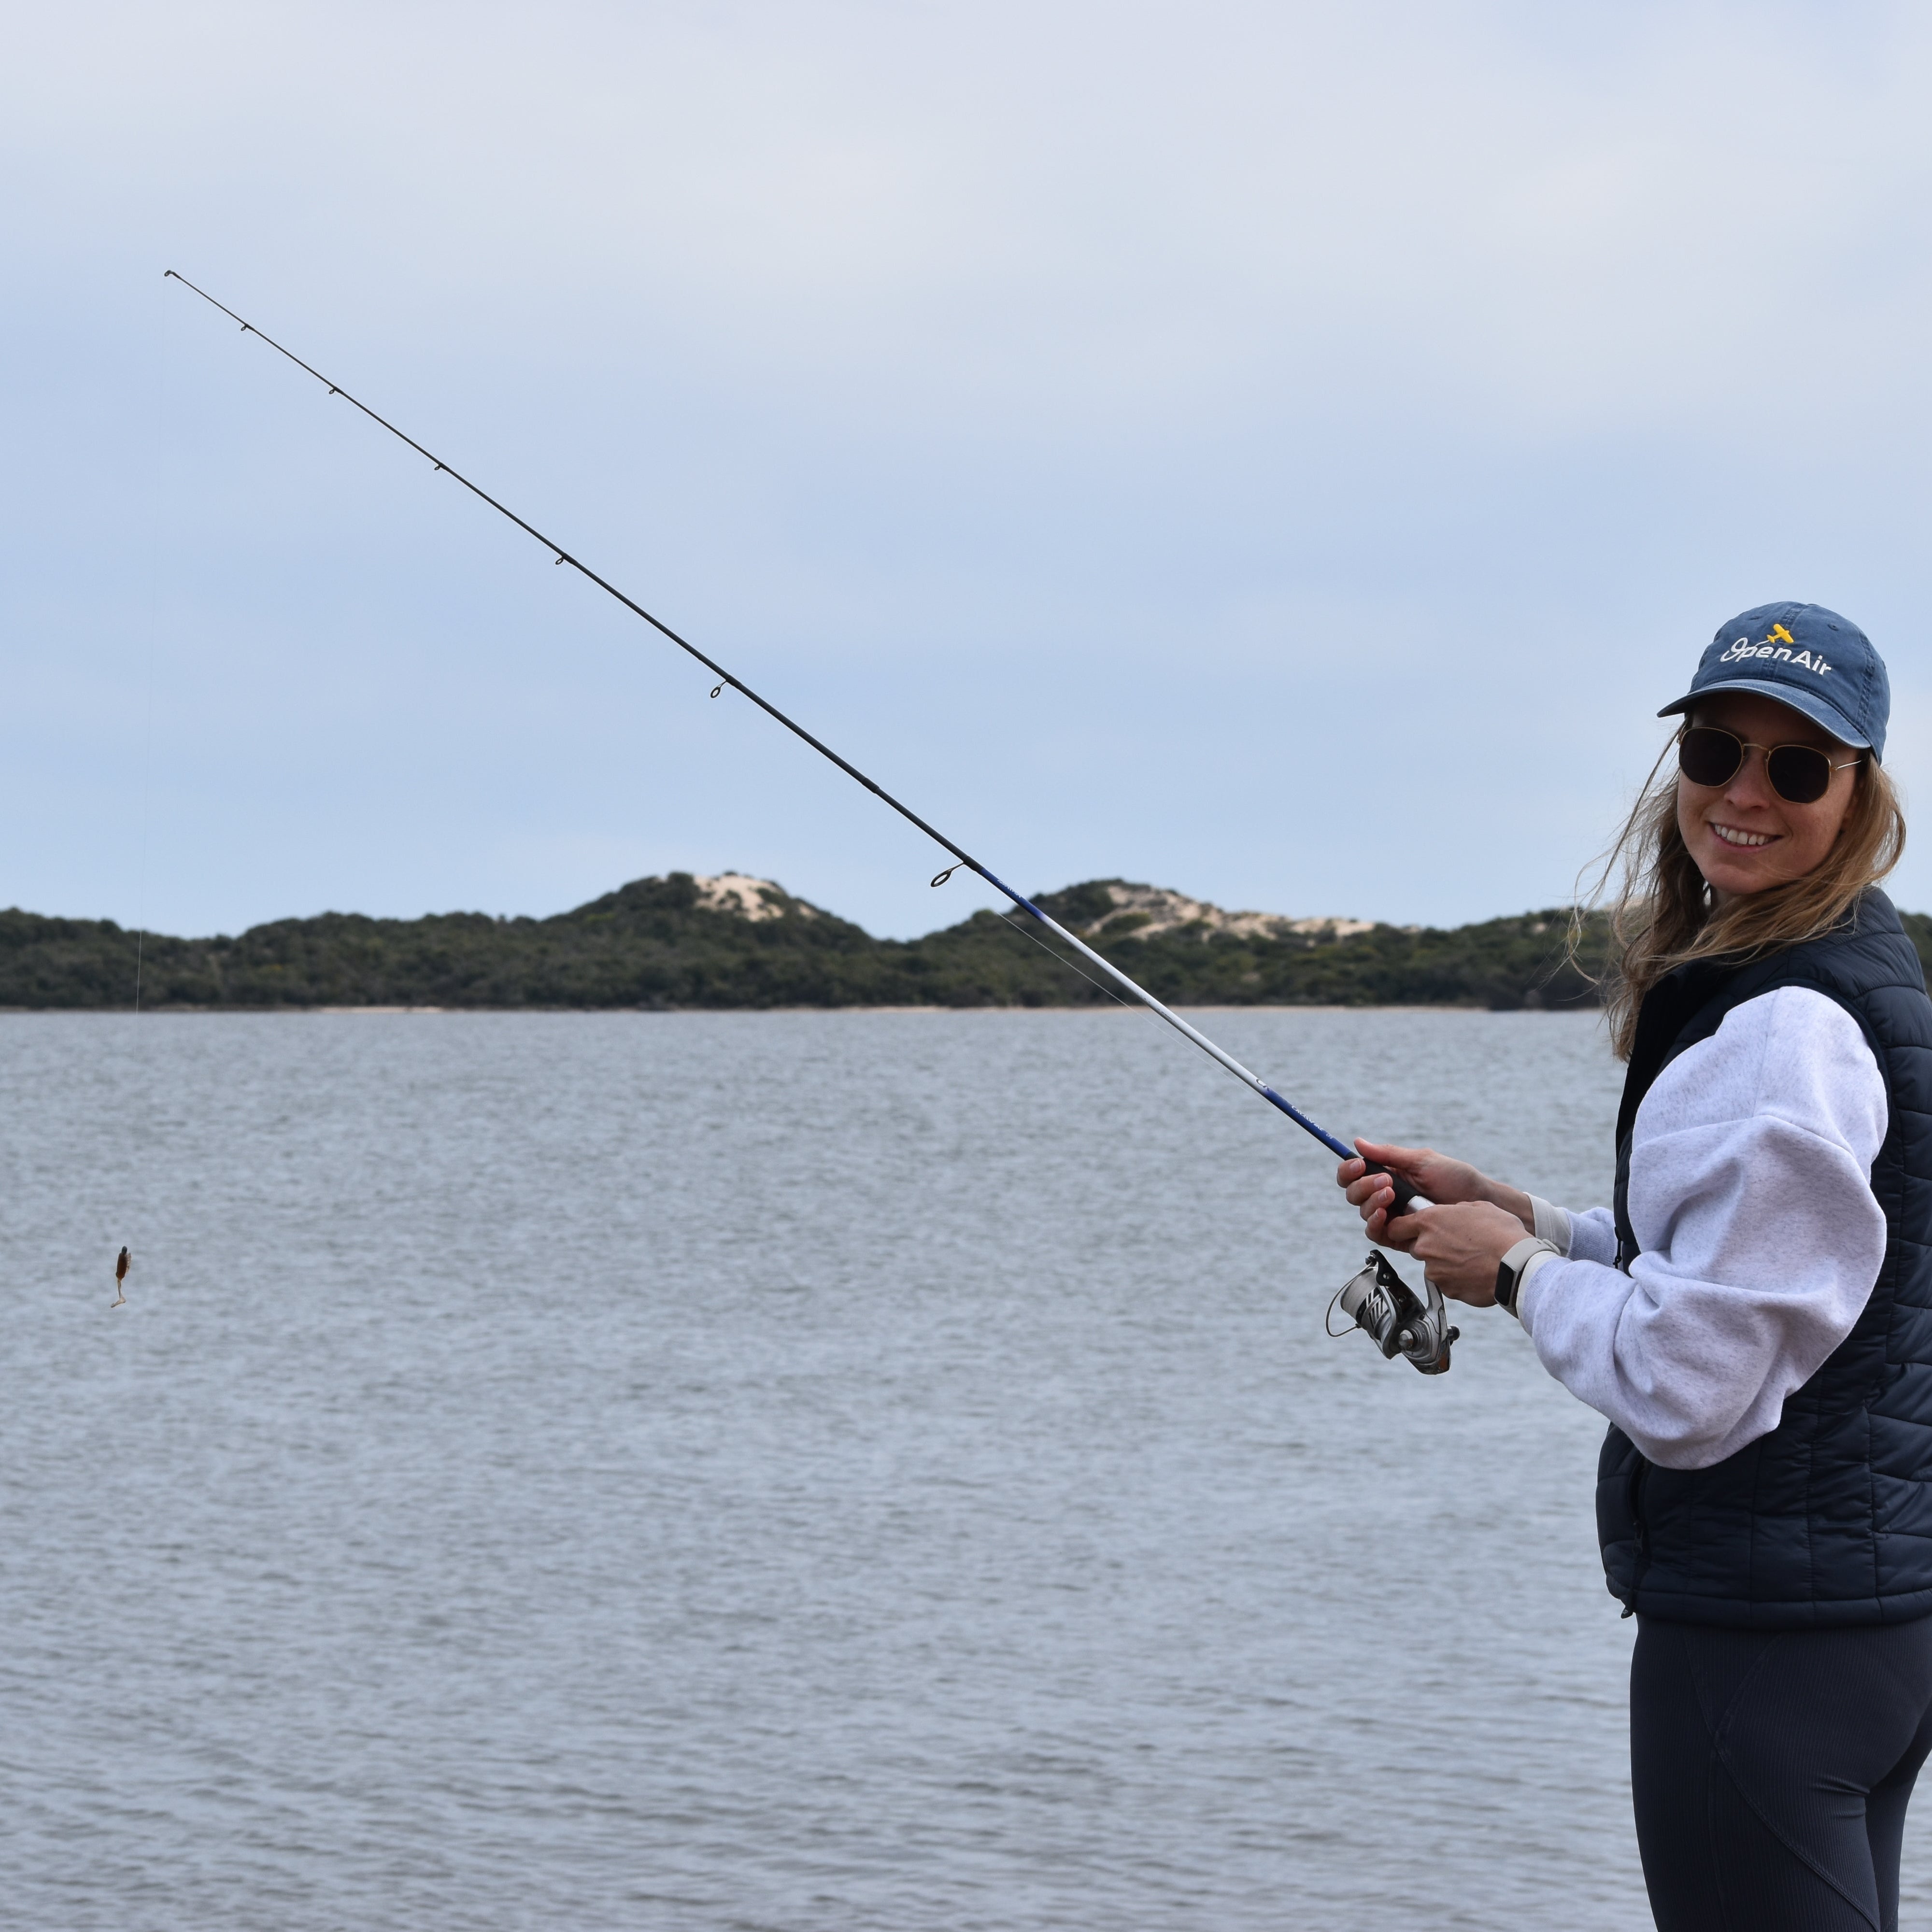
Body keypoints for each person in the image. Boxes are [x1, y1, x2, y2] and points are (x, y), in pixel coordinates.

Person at [1338, 602, 1932, 1932]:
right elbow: (1782, 1283)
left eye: (1798, 767)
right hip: (1873, 1624)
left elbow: (1690, 1383)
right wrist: (1530, 1221)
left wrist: (1515, 1277)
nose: (1745, 794)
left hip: (1768, 1645)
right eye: (1717, 750)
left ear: (1860, 792)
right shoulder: (1856, 961)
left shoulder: (1783, 1025)